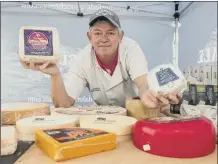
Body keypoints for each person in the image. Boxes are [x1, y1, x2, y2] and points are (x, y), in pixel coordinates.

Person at [20, 8, 182, 109]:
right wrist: (55, 75)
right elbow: (63, 104)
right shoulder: (82, 59)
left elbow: (142, 82)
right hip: (105, 118)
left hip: (137, 112)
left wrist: (148, 93)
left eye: (110, 33)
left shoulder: (130, 48)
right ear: (89, 37)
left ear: (120, 36)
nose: (103, 38)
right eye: (97, 33)